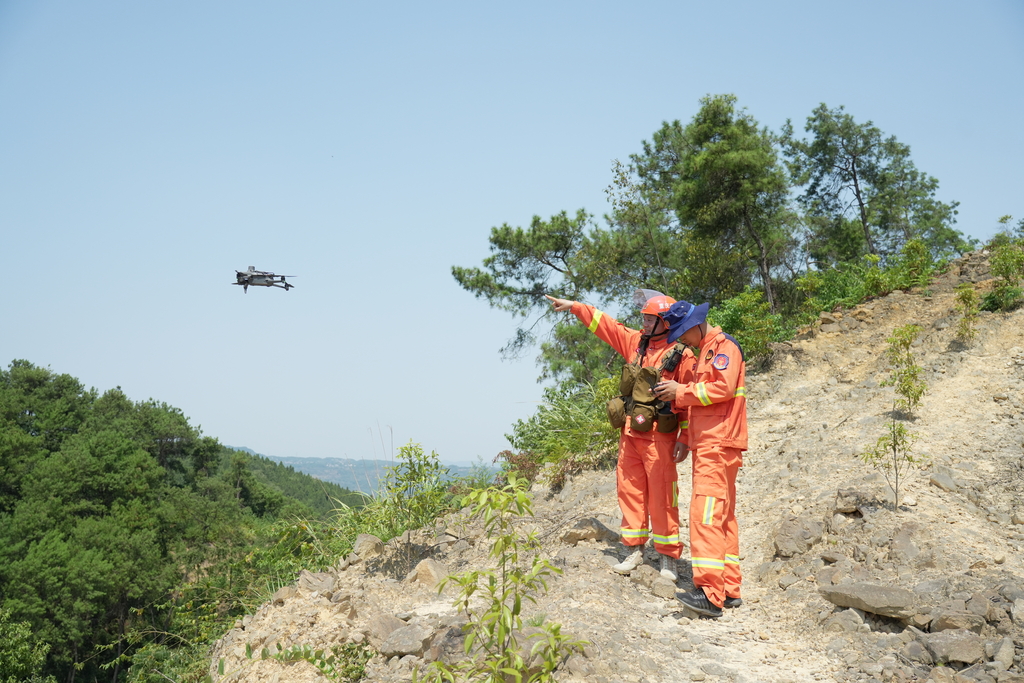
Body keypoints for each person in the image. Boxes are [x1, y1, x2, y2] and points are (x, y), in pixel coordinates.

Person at [545, 291, 690, 581]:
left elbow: (688, 400)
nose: (645, 324)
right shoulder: (637, 343)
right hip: (631, 433)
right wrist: (575, 307)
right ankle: (634, 548)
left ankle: (668, 557)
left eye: (650, 320)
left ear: (665, 321)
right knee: (630, 491)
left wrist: (684, 437)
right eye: (644, 319)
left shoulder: (682, 355)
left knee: (663, 496)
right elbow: (607, 325)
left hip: (660, 437)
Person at [653, 300, 747, 618]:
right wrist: (683, 434)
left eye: (683, 333)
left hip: (717, 445)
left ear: (696, 325)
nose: (681, 340)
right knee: (721, 516)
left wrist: (680, 391)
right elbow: (700, 399)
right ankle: (728, 588)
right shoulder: (704, 350)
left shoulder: (723, 347)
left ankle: (709, 593)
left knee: (704, 515)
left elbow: (720, 389)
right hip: (711, 444)